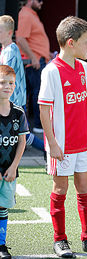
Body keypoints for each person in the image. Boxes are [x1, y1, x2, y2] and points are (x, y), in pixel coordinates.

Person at [38, 16, 87, 258]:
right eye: (86, 42)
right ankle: (60, 240)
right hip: (61, 145)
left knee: (84, 188)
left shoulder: (84, 68)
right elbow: (44, 110)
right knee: (61, 188)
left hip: (82, 142)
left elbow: (86, 103)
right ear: (72, 42)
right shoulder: (51, 71)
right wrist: (52, 144)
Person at [0, 15, 45, 153]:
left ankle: (48, 151)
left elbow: (5, 77)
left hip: (13, 102)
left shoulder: (10, 53)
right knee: (19, 135)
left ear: (9, 33)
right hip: (11, 101)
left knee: (22, 135)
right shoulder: (6, 50)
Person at [0, 65, 29, 258]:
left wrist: (13, 166)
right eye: (2, 82)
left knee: (3, 207)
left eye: (11, 83)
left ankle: (1, 245)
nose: (7, 86)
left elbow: (22, 142)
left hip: (9, 171)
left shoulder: (18, 113)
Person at [16, 0, 51, 134]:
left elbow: (34, 40)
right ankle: (38, 126)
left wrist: (46, 53)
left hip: (39, 60)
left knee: (35, 93)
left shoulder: (32, 15)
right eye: (39, 0)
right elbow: (20, 39)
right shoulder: (26, 15)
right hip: (34, 63)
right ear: (29, 0)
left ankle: (34, 126)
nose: (41, 3)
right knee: (38, 93)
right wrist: (34, 57)